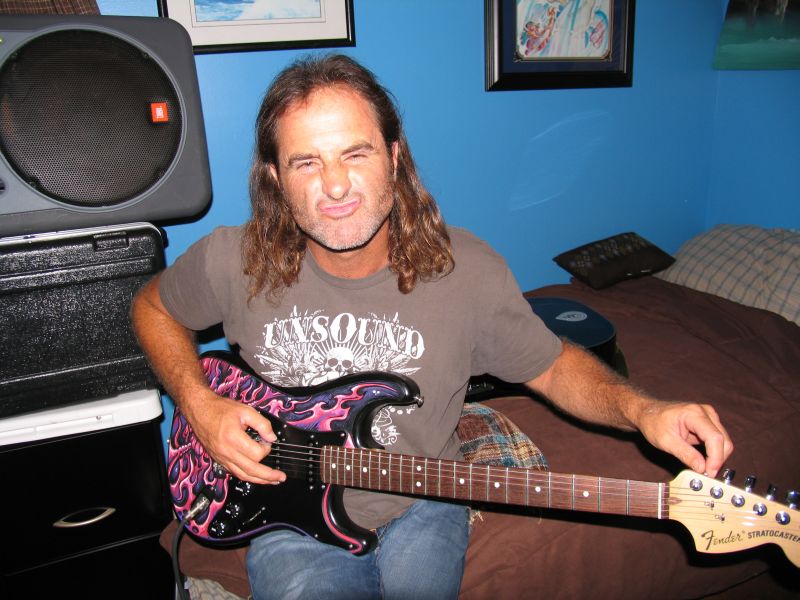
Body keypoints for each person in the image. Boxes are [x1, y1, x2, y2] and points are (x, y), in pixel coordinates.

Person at [131, 53, 733, 600]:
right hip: (283, 506)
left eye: (355, 154)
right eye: (306, 162)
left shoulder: (465, 270)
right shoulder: (232, 259)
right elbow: (151, 308)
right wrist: (198, 403)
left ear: (394, 158)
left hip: (426, 494)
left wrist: (642, 410)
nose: (335, 186)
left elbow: (551, 365)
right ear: (275, 179)